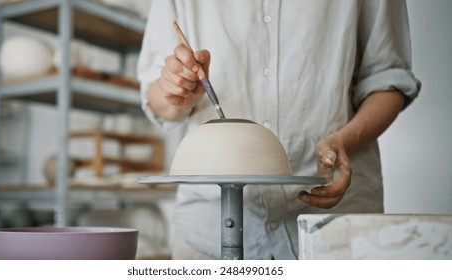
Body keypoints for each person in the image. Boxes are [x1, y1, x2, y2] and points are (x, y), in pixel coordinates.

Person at [137, 0, 421, 260]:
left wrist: (342, 142)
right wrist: (176, 92)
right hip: (208, 229)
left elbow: (388, 80)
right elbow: (156, 97)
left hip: (330, 225)